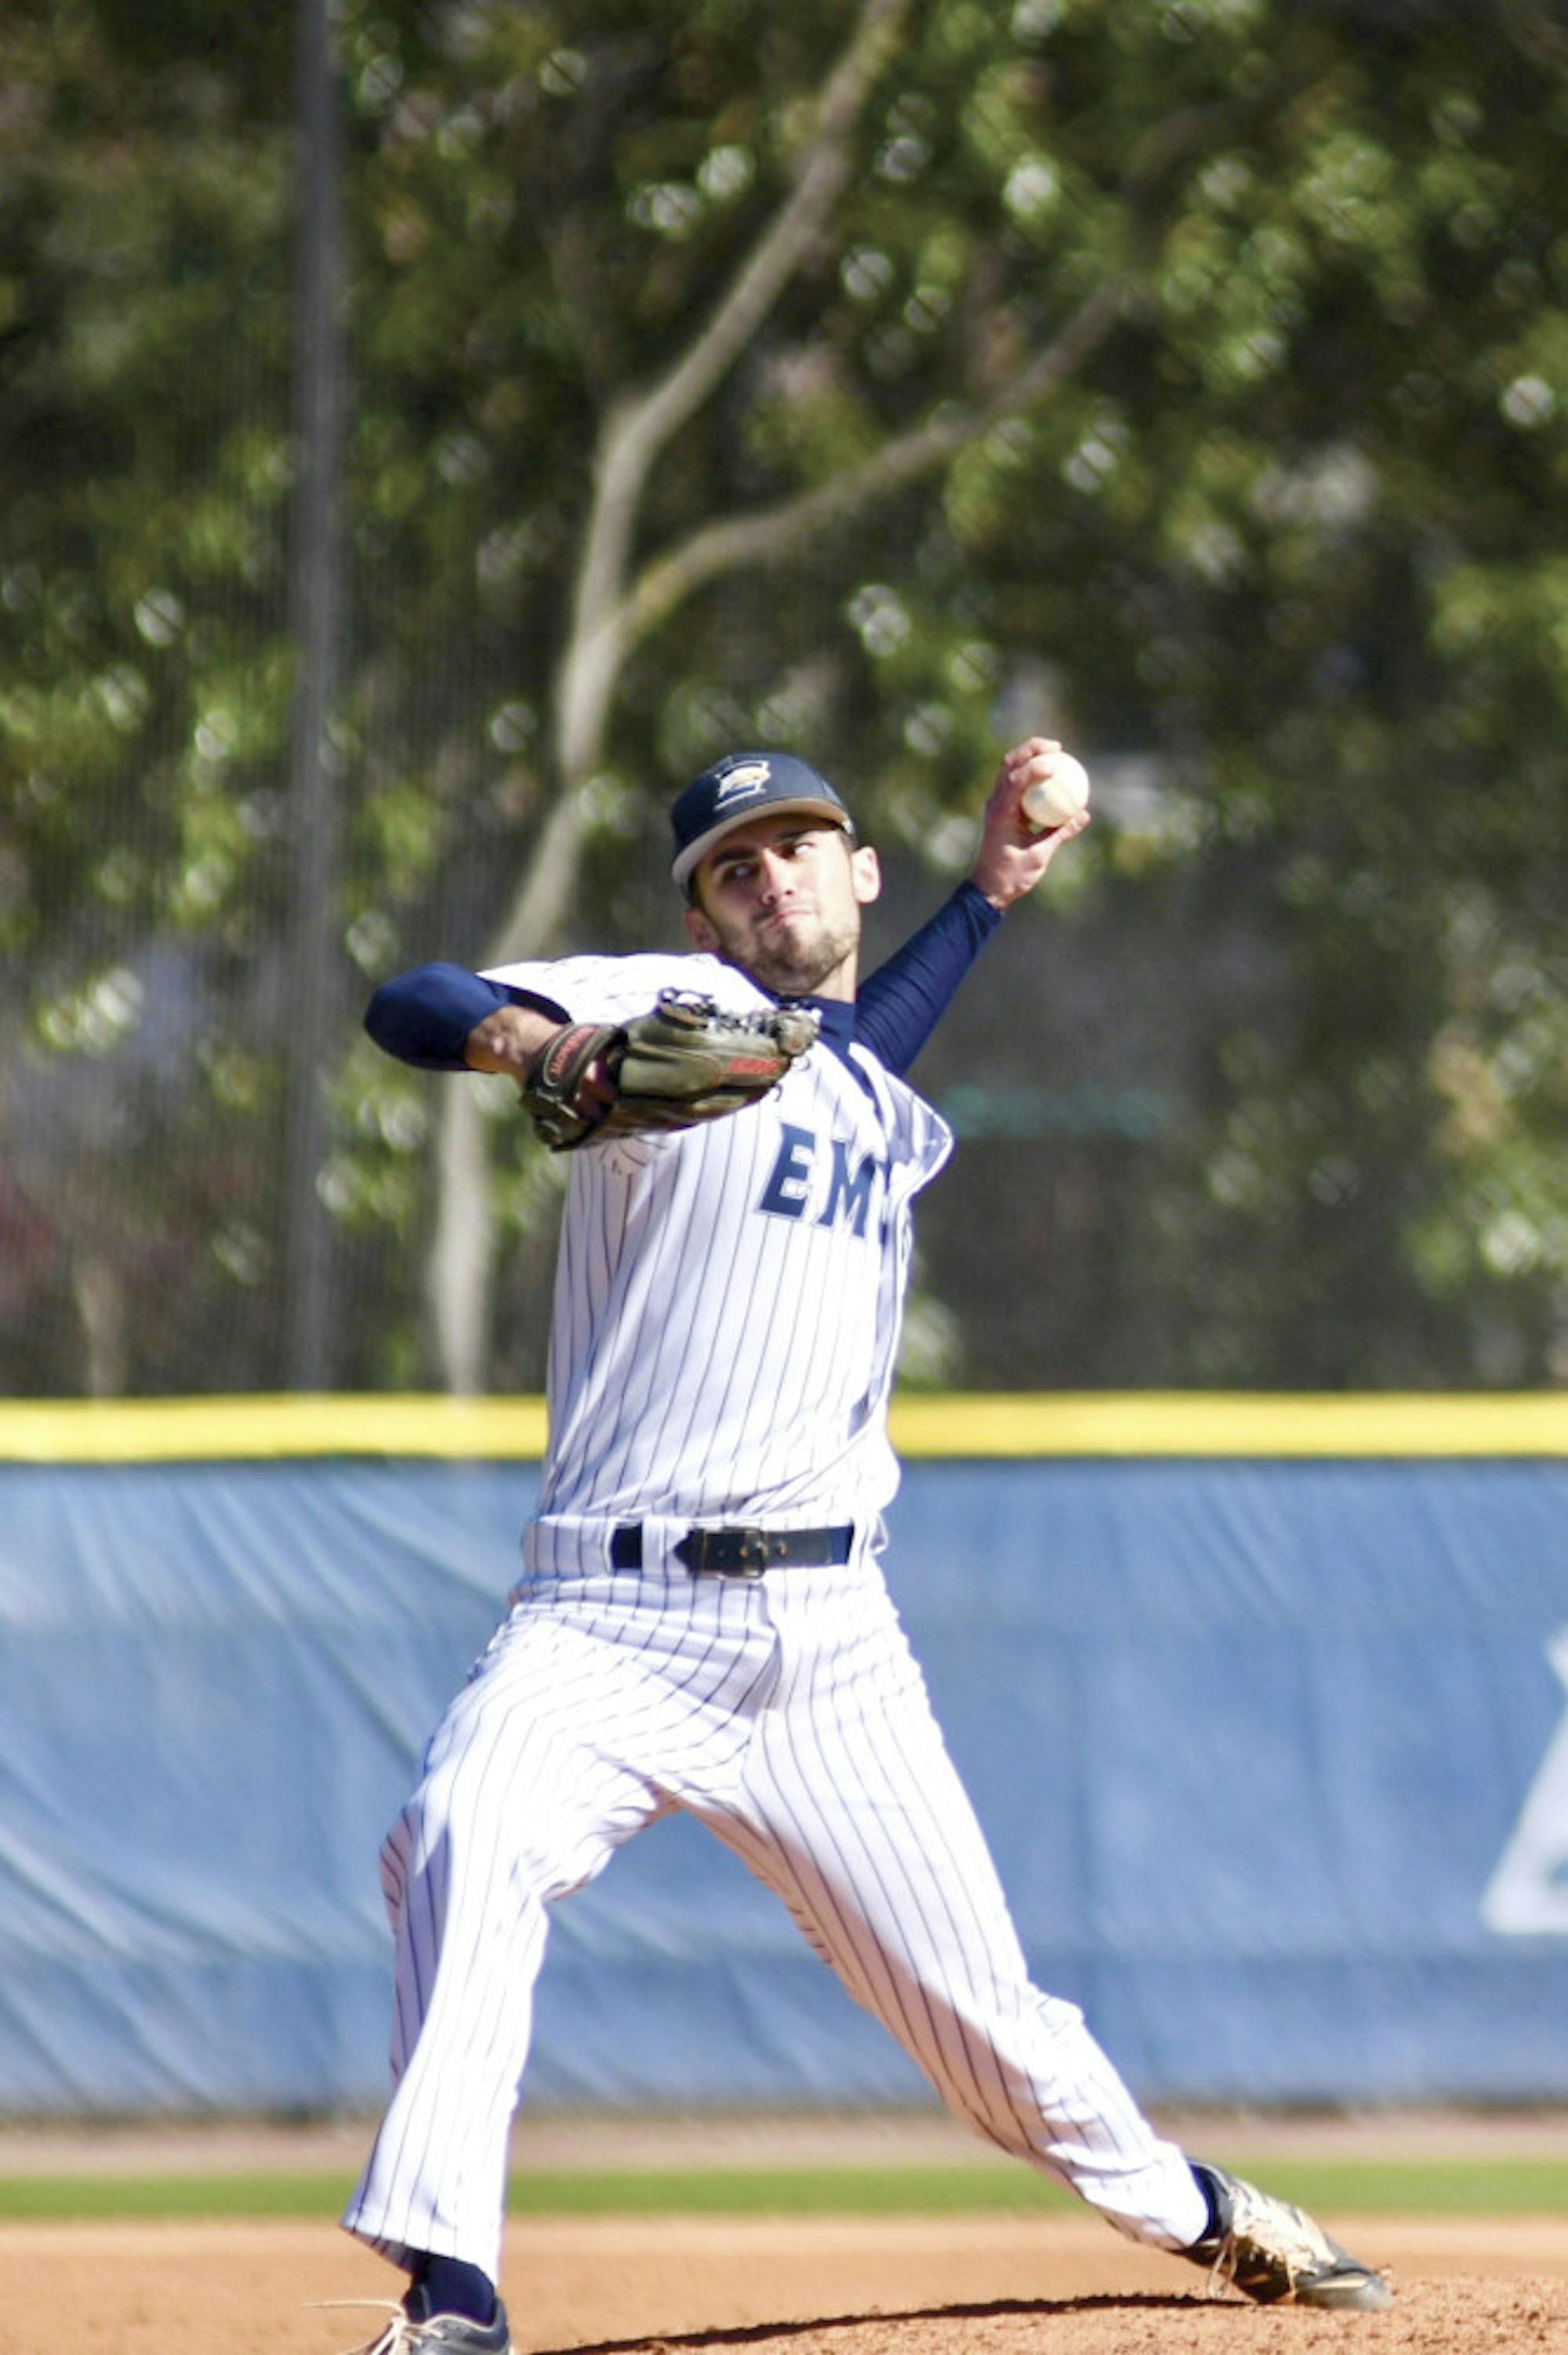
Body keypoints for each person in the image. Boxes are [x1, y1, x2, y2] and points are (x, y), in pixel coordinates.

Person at [344, 740, 1391, 2353]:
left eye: (797, 848)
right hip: (604, 1620)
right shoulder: (658, 1006)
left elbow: (856, 1037)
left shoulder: (859, 1072)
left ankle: (1194, 2207)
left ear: (860, 867)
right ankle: (453, 2291)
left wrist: (992, 890)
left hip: (832, 1643)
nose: (771, 882)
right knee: (463, 1827)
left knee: (990, 2031)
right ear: (698, 919)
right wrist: (540, 1047)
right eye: (732, 868)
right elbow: (406, 994)